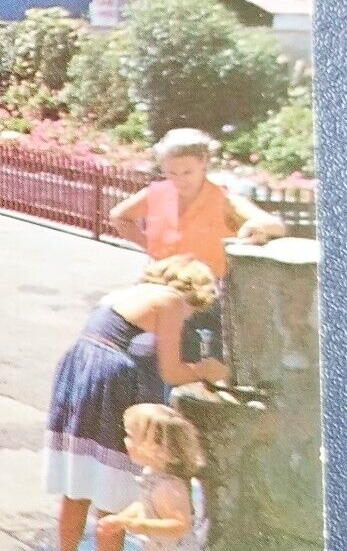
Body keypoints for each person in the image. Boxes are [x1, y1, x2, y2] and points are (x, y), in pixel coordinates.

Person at [42, 256, 228, 551]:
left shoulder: (127, 294)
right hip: (111, 382)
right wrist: (208, 370)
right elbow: (171, 372)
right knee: (111, 488)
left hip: (80, 371)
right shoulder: (171, 302)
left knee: (78, 483)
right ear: (191, 294)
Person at [108, 126, 286, 380]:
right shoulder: (157, 193)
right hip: (161, 290)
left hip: (204, 298)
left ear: (204, 162)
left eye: (187, 172)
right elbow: (119, 217)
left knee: (192, 358)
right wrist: (152, 248)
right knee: (153, 359)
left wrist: (252, 228)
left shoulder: (222, 199)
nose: (179, 179)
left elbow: (274, 224)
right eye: (172, 173)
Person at [99, 403, 209, 551]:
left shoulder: (169, 487)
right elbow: (144, 504)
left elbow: (180, 524)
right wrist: (121, 519)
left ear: (158, 448)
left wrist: (143, 525)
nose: (126, 441)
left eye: (132, 437)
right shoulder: (151, 474)